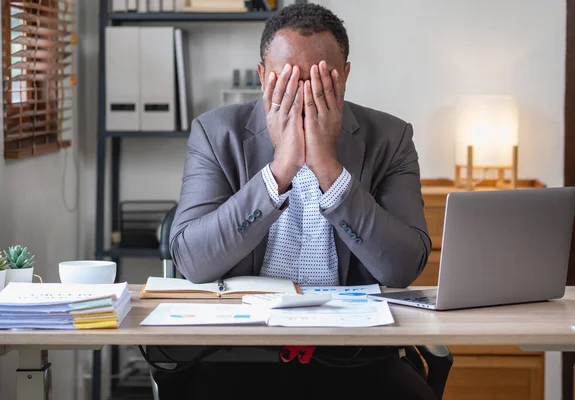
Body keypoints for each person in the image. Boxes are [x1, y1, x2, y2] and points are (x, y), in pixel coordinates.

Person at [154, 3, 434, 399]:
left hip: (353, 352)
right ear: (262, 76)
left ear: (346, 76)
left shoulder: (390, 138)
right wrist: (279, 170)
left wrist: (329, 170)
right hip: (238, 351)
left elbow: (403, 267)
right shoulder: (216, 134)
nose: (304, 94)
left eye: (322, 80)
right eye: (287, 80)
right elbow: (194, 261)